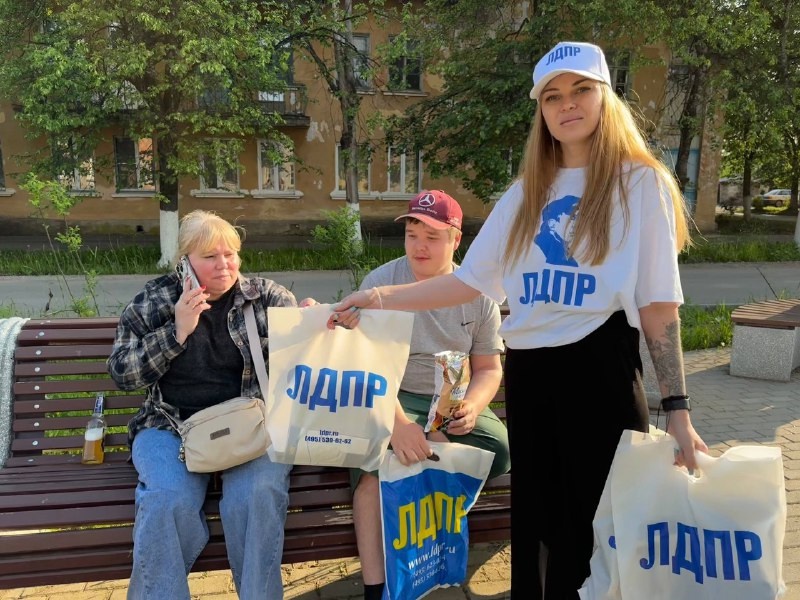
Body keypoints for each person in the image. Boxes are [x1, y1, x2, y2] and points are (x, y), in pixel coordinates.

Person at [327, 41, 708, 599]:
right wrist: (376, 297)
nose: (567, 104)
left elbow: (657, 305)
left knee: (595, 526)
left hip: (598, 366)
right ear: (541, 110)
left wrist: (677, 410)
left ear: (605, 96)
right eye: (552, 96)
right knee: (537, 523)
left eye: (581, 89)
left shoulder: (639, 183)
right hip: (531, 373)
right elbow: (467, 282)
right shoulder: (526, 192)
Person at [107, 210, 295, 600]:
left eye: (230, 254)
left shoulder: (266, 298)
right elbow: (123, 373)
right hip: (170, 427)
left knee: (258, 496)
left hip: (250, 426)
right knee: (165, 502)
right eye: (210, 256)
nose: (224, 264)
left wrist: (313, 325)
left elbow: (303, 359)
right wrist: (176, 332)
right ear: (185, 261)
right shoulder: (155, 300)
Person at [353, 190, 511, 600]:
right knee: (373, 473)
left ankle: (432, 542)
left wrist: (472, 406)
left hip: (449, 397)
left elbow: (488, 368)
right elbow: (366, 367)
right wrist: (399, 425)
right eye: (412, 234)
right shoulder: (381, 285)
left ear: (456, 240)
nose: (419, 246)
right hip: (392, 394)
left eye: (432, 237)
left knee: (499, 449)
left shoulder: (478, 293)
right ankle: (375, 589)